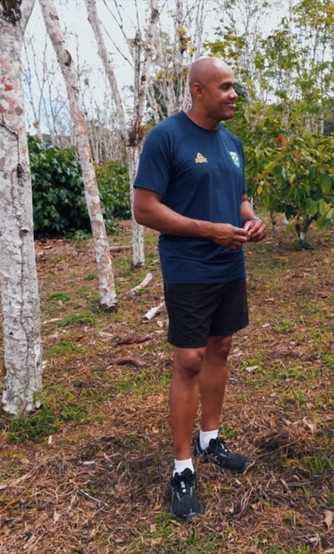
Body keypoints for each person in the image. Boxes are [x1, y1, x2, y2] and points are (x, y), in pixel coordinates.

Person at [132, 57, 267, 521]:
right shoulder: (166, 137)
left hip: (229, 265)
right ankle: (182, 467)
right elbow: (145, 208)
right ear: (198, 91)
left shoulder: (232, 144)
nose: (233, 94)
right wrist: (207, 230)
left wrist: (250, 220)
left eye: (235, 86)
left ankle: (210, 440)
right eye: (225, 87)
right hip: (189, 267)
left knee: (221, 347)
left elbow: (240, 198)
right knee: (188, 361)